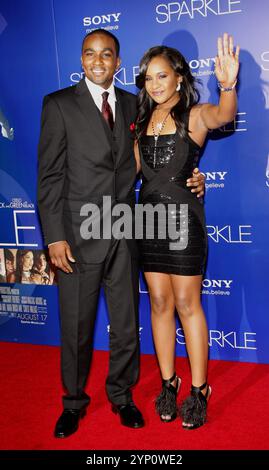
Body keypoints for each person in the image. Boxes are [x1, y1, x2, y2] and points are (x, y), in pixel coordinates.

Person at [37, 28, 205, 438]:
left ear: (117, 61)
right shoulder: (58, 105)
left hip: (128, 231)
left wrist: (193, 177)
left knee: (127, 325)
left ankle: (122, 396)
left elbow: (163, 155)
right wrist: (55, 237)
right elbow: (49, 177)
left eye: (107, 54)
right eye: (90, 54)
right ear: (81, 60)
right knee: (76, 325)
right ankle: (73, 403)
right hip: (77, 237)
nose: (98, 61)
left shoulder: (136, 106)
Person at [134, 33, 239, 429]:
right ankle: (168, 382)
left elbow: (224, 115)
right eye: (149, 78)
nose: (155, 84)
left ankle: (199, 390)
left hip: (183, 221)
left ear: (179, 78)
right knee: (159, 303)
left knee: (186, 304)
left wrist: (227, 85)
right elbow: (137, 173)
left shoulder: (195, 114)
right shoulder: (142, 120)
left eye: (162, 76)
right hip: (148, 222)